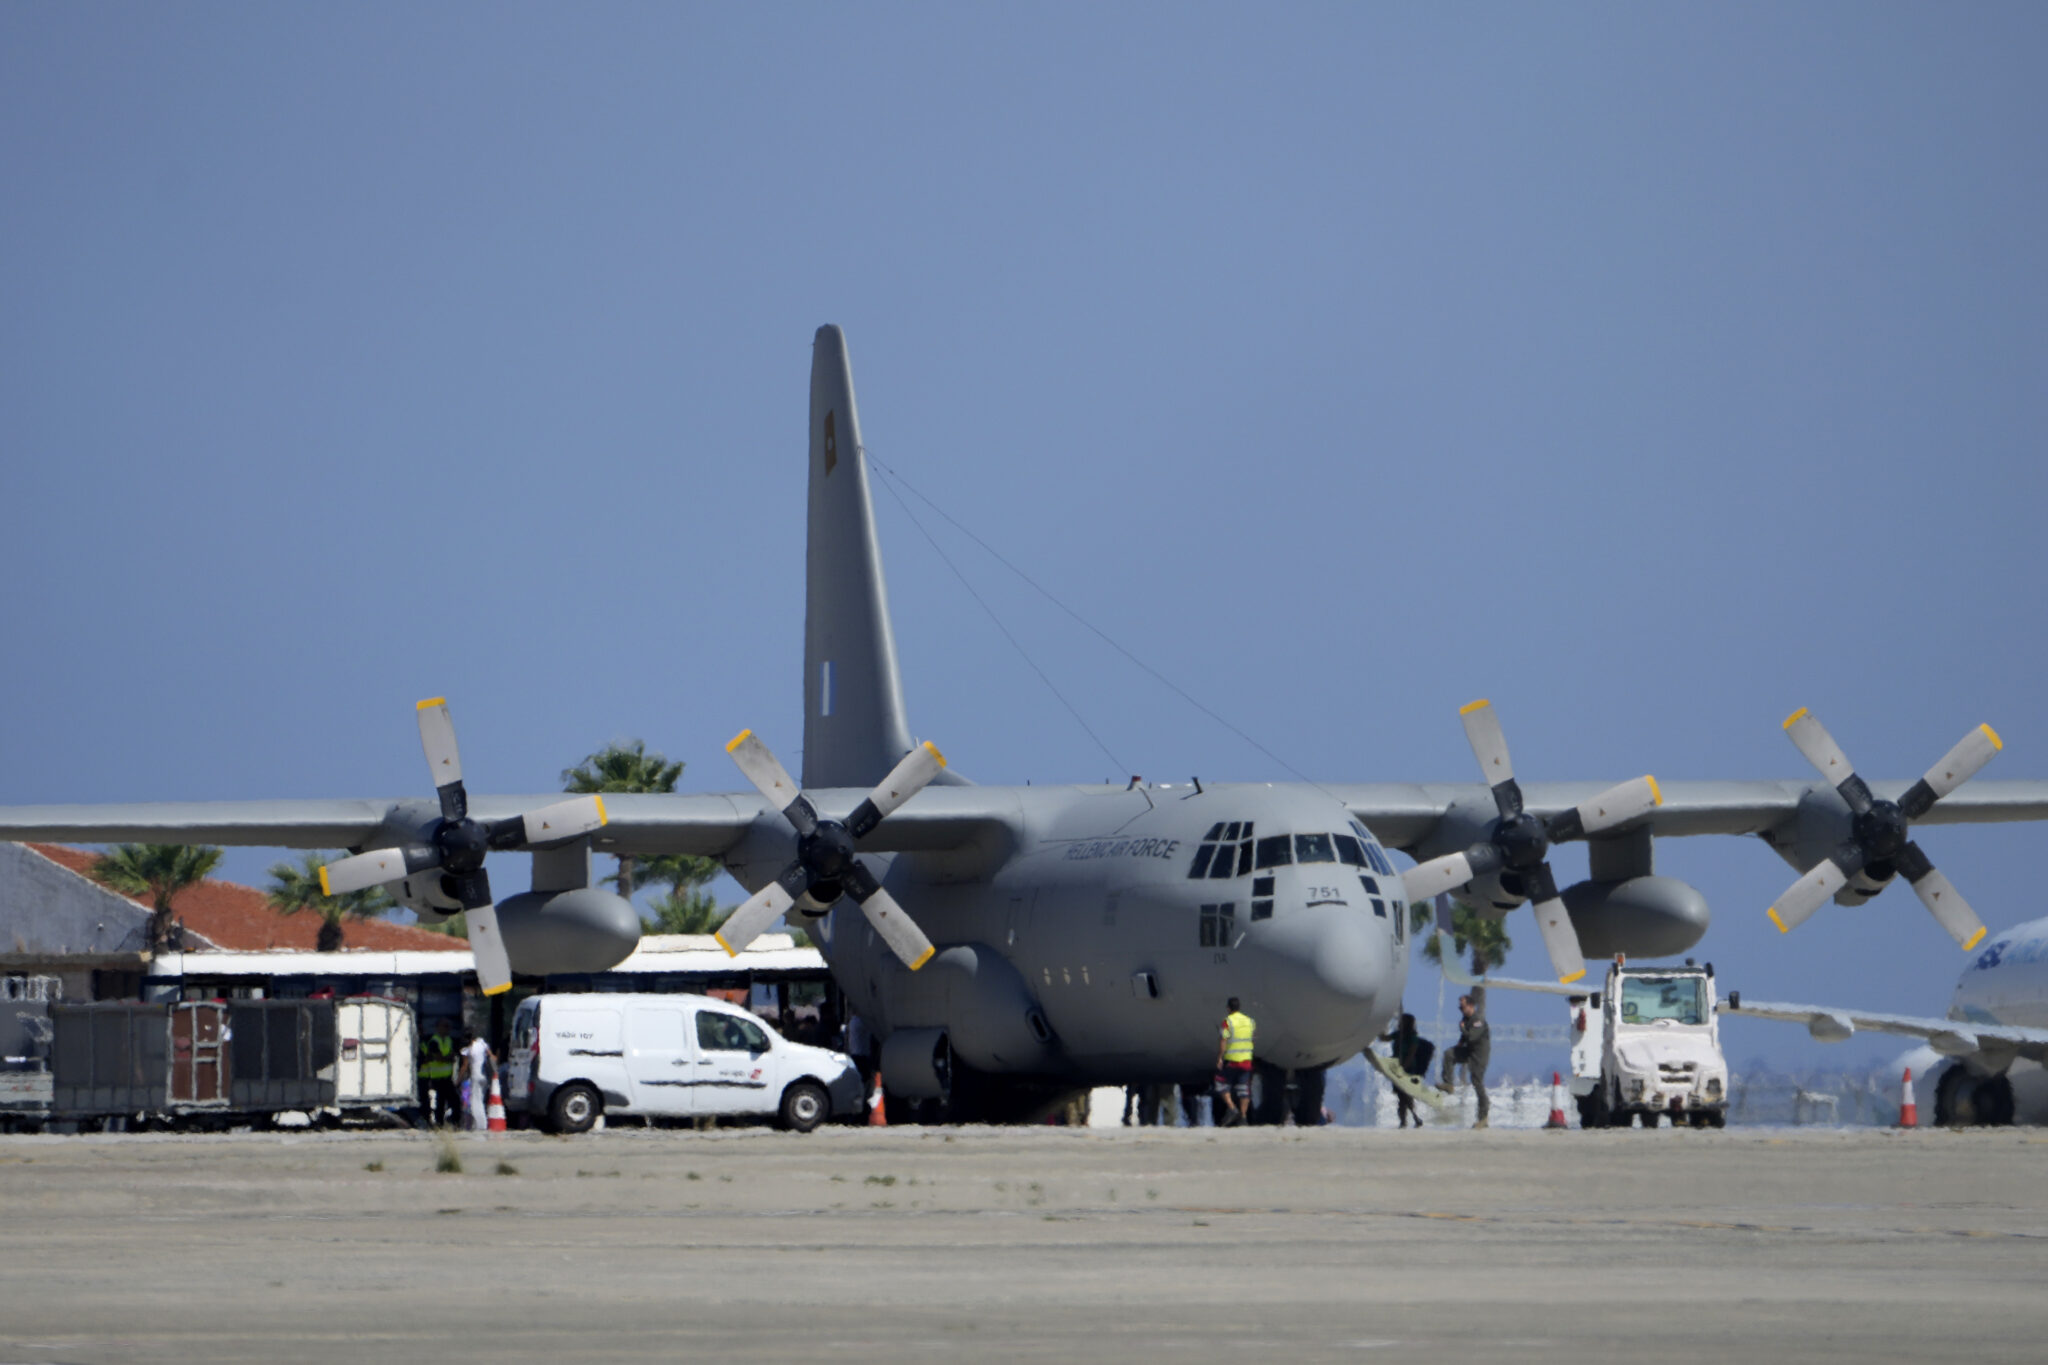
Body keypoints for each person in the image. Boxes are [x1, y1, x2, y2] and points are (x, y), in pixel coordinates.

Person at [1440, 988, 1492, 1129]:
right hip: (1469, 1051)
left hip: (1479, 1056)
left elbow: (1472, 1037)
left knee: (1477, 1083)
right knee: (1449, 1054)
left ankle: (1483, 1117)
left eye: (1462, 1007)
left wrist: (1462, 1029)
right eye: (1459, 1007)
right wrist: (1458, 1046)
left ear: (1470, 1006)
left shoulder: (1478, 1021)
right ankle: (1449, 1084)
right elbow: (1464, 1039)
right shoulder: (1466, 1020)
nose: (1461, 1010)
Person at [1378, 1012, 1432, 1129]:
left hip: (1408, 1069)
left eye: (1401, 1021)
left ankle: (1409, 1119)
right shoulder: (1398, 1034)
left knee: (1405, 1095)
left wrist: (1402, 1069)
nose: (1399, 1023)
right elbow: (1384, 1038)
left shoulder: (1412, 1037)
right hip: (1397, 1068)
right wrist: (1378, 1026)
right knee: (1401, 1096)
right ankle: (1408, 1119)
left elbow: (1411, 1054)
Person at [1215, 997, 1255, 1127]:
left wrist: (1220, 1057)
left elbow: (1223, 1040)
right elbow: (1253, 1037)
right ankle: (1243, 1117)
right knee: (1244, 1089)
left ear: (1228, 1008)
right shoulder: (1250, 1021)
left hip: (1232, 1060)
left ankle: (1232, 1108)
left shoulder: (1228, 1022)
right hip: (1246, 1059)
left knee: (1220, 1083)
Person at [417, 1017, 459, 1128]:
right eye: (445, 1026)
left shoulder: (449, 1040)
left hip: (447, 1077)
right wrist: (448, 1058)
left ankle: (449, 1123)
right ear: (438, 1028)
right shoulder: (434, 1041)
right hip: (437, 1077)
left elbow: (452, 1055)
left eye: (449, 1027)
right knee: (442, 1102)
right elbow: (439, 1057)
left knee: (451, 1101)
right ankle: (439, 1123)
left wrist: (448, 1058)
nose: (448, 1029)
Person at [463, 1029, 494, 1131]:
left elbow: (464, 1066)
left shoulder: (467, 1050)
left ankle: (480, 1125)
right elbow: (491, 1056)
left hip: (475, 1077)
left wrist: (458, 1080)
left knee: (475, 1102)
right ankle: (482, 1124)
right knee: (481, 1099)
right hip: (484, 1076)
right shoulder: (481, 1043)